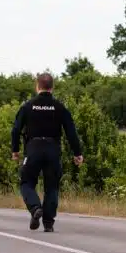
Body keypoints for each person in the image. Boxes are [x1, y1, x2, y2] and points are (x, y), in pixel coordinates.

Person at [11, 72, 83, 232]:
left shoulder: (27, 106)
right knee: (52, 186)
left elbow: (15, 130)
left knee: (26, 182)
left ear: (37, 86)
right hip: (53, 150)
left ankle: (35, 208)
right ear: (52, 87)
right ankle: (48, 223)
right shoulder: (59, 106)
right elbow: (71, 131)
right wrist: (77, 153)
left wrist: (15, 150)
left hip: (33, 149)